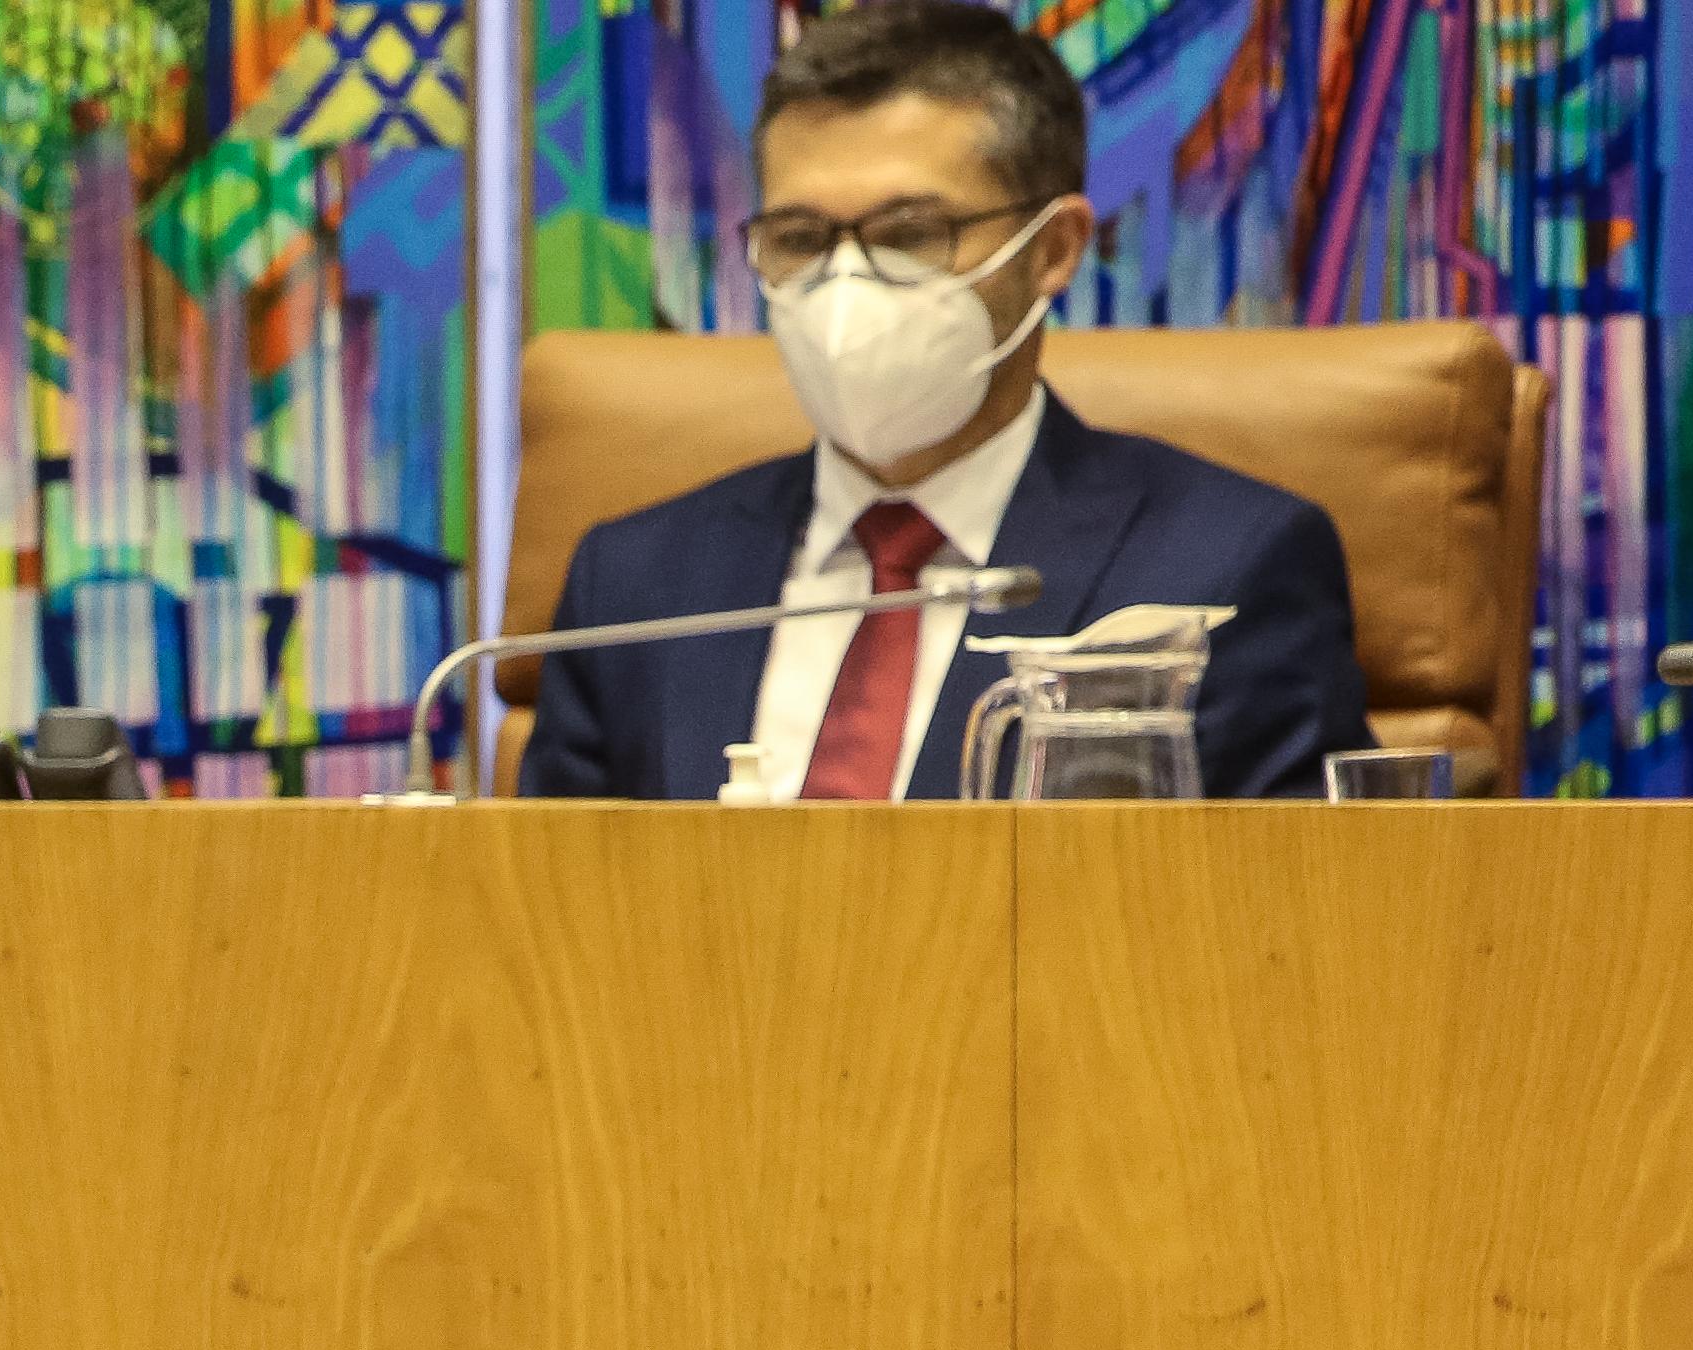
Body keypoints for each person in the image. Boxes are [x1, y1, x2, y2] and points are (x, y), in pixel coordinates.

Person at [521, 0, 1374, 801]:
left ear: (1054, 249)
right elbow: (543, 930)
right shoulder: (634, 584)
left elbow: (1282, 921)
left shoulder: (1226, 567)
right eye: (799, 239)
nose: (845, 283)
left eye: (910, 235)